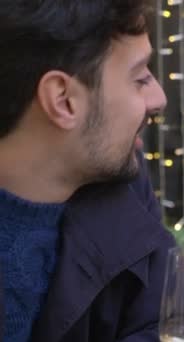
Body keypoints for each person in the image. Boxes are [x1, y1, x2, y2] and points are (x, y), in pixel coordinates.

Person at [0, 1, 174, 341]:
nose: (159, 98)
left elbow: (171, 323)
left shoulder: (125, 187)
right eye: (140, 78)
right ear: (63, 99)